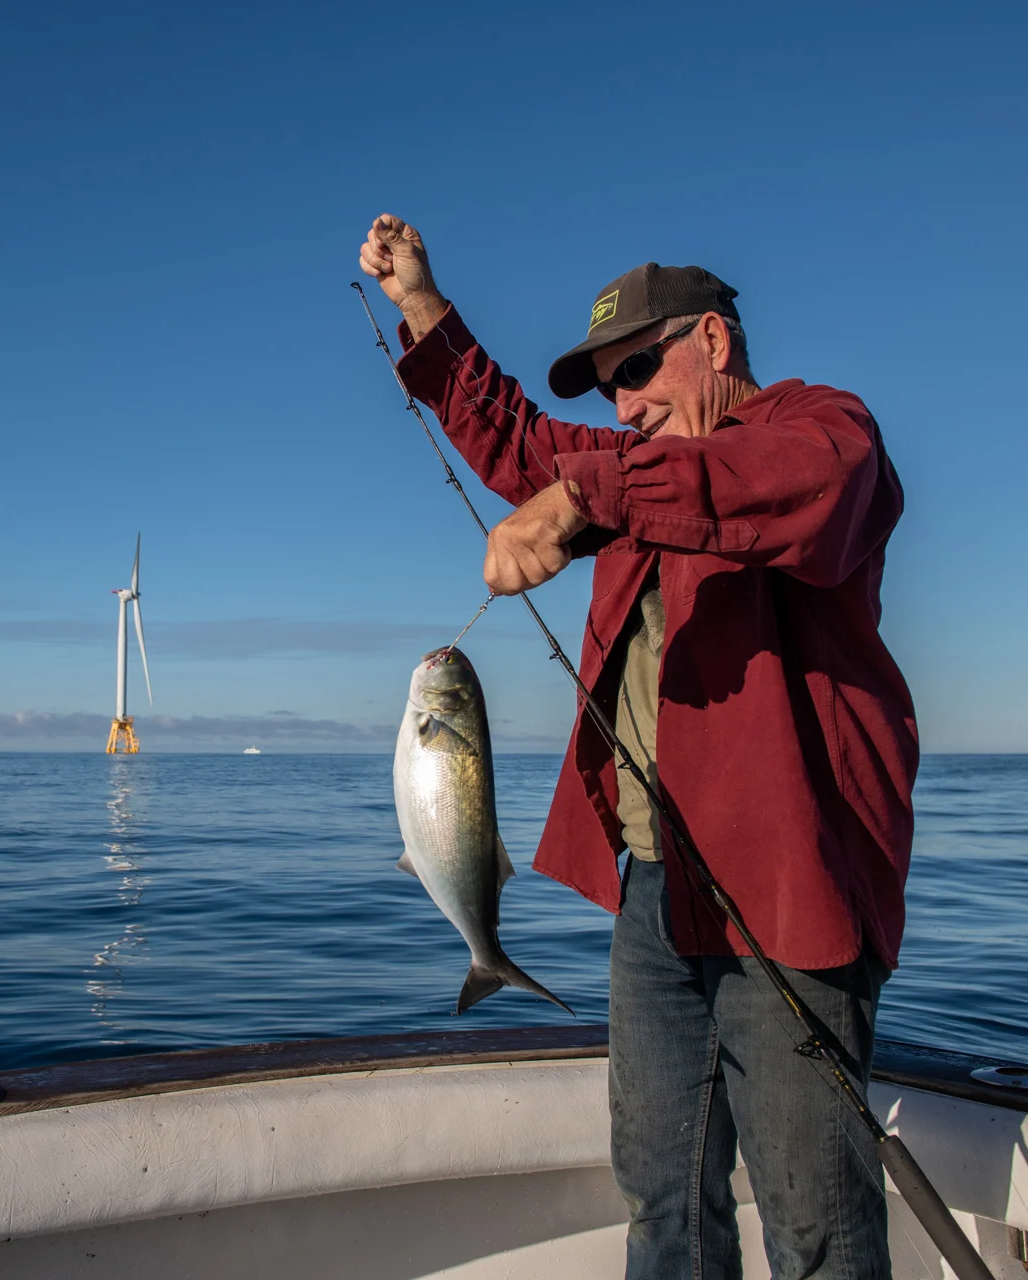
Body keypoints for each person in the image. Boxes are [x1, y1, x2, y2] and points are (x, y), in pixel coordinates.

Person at [359, 214, 918, 1279]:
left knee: (818, 1228)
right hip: (656, 894)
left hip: (790, 894)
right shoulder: (636, 470)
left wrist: (581, 495)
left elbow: (788, 486)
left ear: (712, 340)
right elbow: (527, 444)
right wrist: (422, 306)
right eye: (607, 390)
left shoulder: (823, 429)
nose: (623, 406)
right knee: (662, 1202)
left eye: (638, 369)